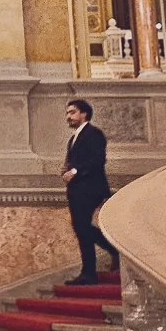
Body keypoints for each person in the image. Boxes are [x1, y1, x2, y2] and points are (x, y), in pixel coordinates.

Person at [62, 99, 121, 284]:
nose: (68, 117)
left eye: (72, 112)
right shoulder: (74, 138)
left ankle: (90, 271)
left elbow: (97, 160)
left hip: (90, 188)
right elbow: (74, 161)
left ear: (84, 114)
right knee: (80, 227)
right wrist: (66, 170)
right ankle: (109, 252)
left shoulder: (94, 134)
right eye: (68, 113)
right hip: (77, 189)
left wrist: (75, 171)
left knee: (81, 227)